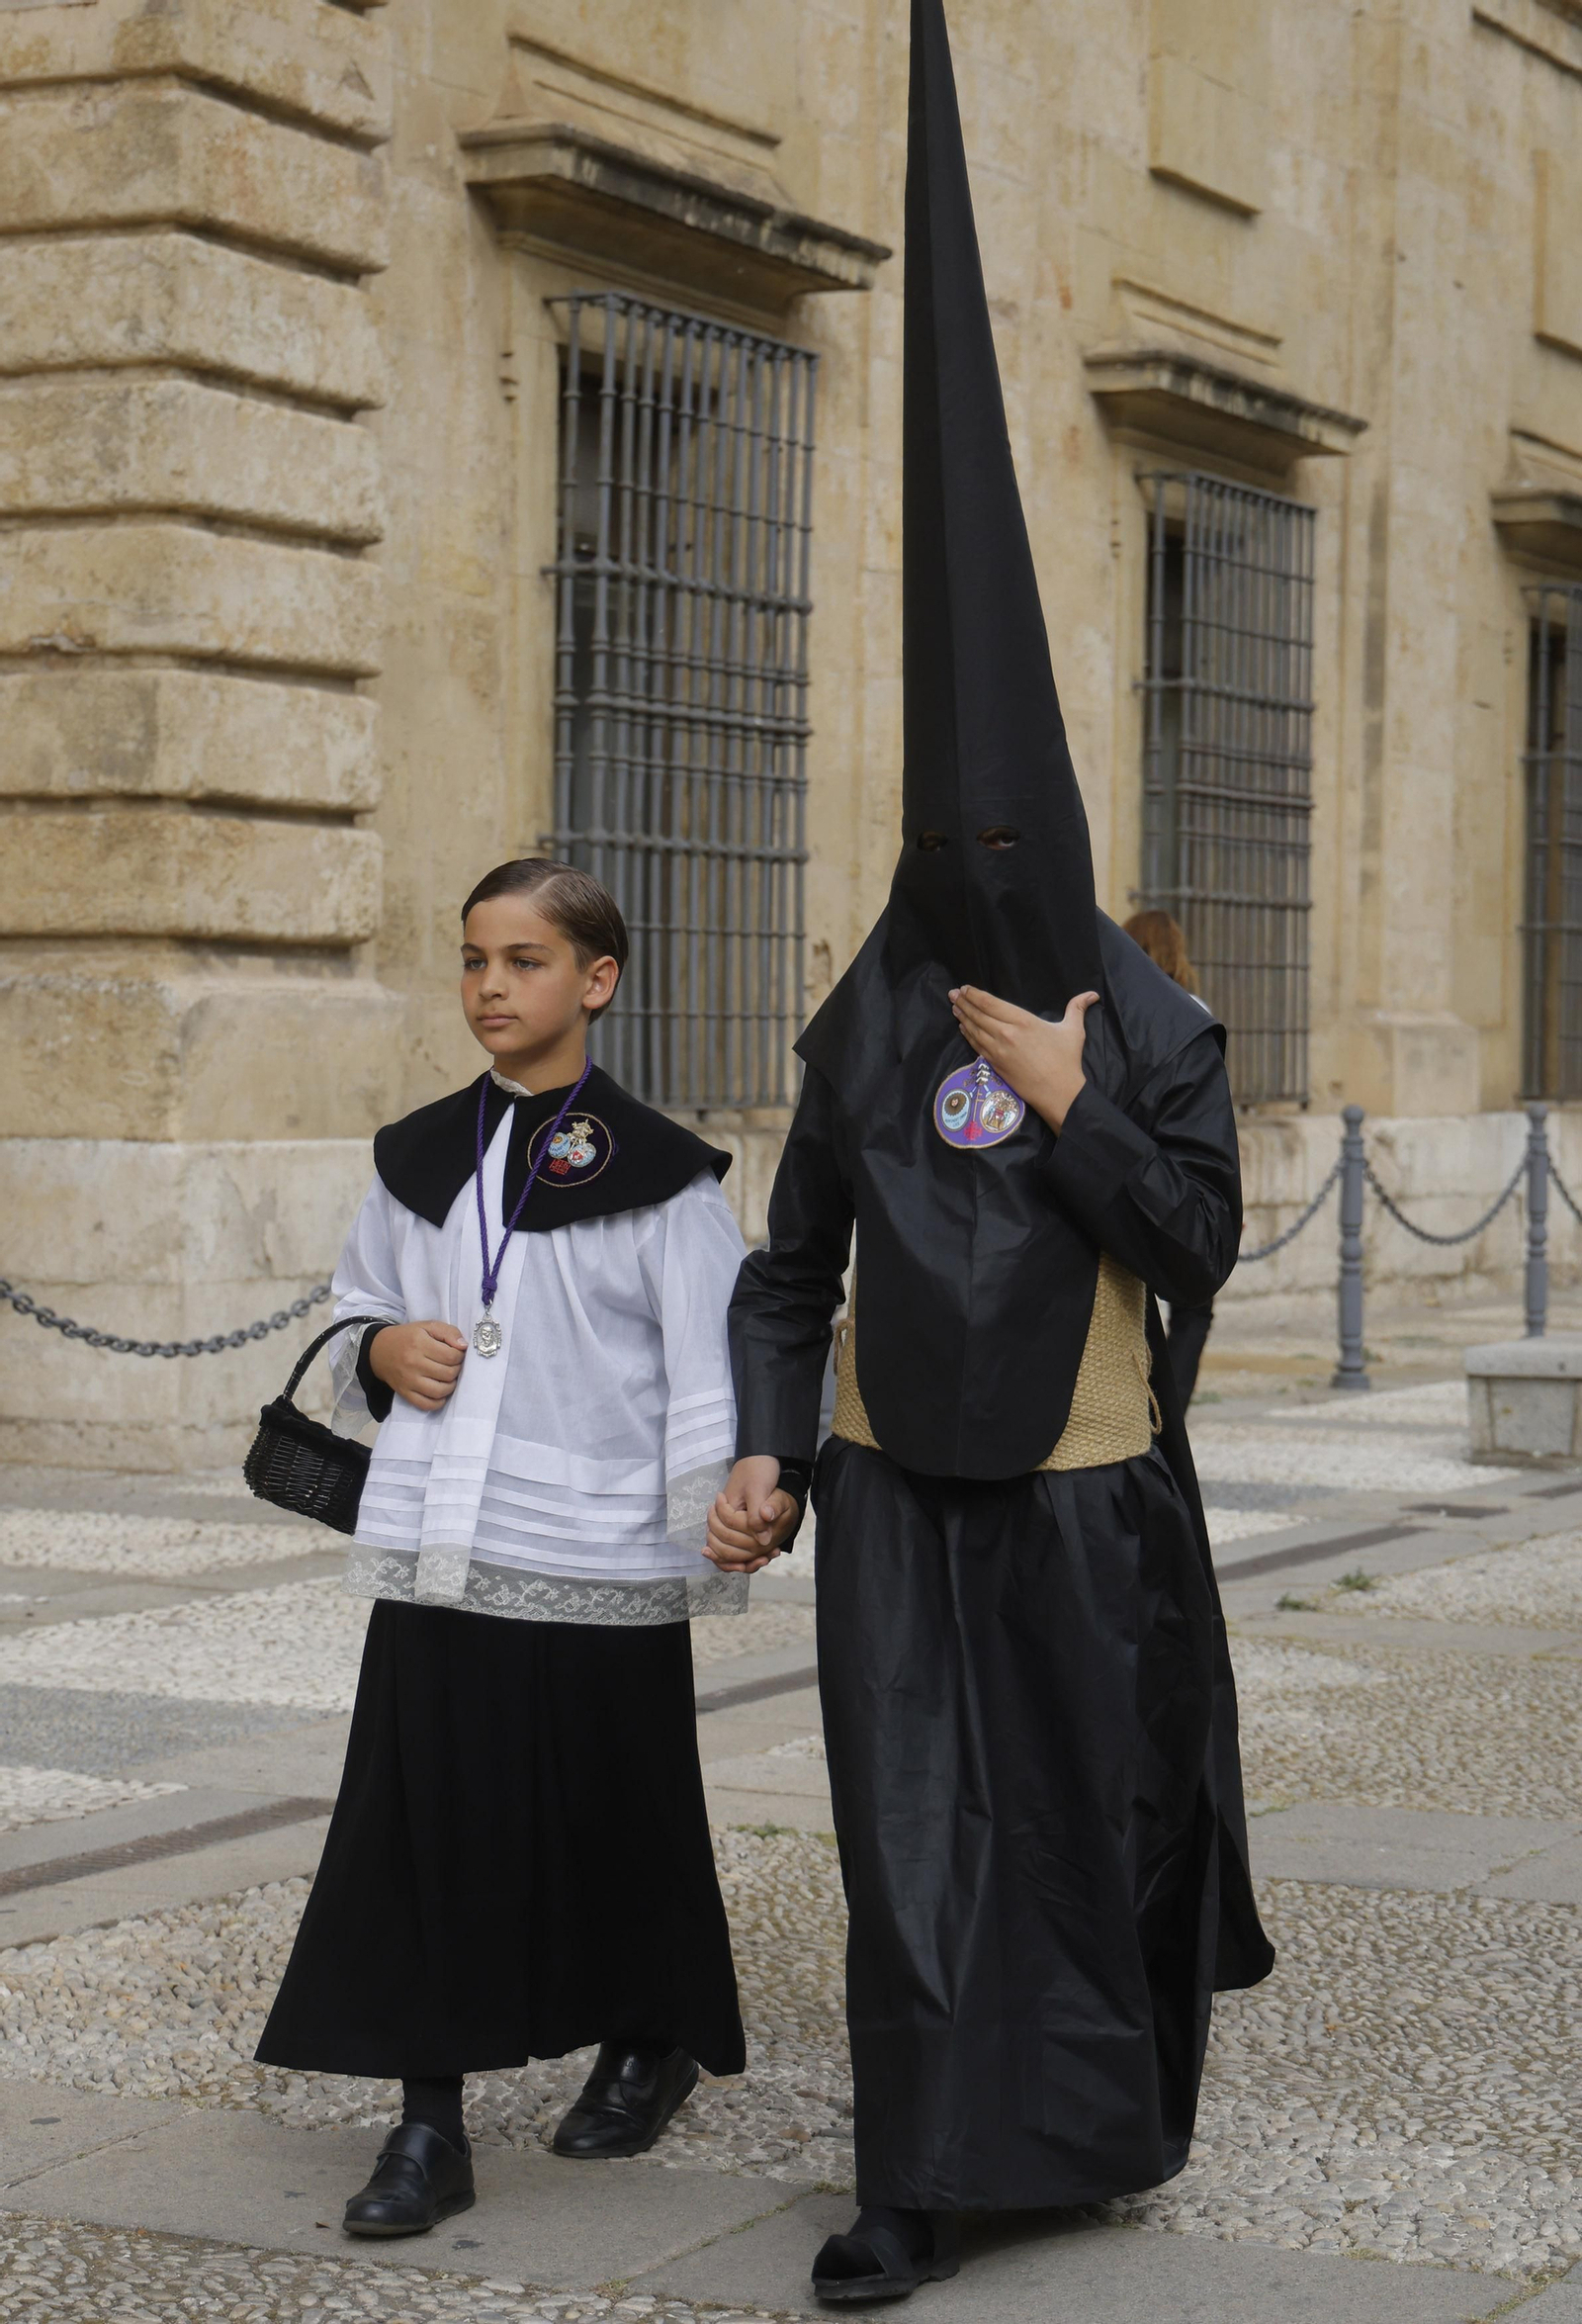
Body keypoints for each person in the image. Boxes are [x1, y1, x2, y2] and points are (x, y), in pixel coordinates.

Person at [704, 0, 1274, 2302]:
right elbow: (784, 1267)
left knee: (1099, 1817)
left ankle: (1092, 2115)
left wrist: (1067, 1109)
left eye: (999, 830)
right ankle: (908, 2176)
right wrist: (766, 1443)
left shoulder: (1145, 1020)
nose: (966, 857)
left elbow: (1198, 1235)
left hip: (1087, 1481)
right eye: (937, 833)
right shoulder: (859, 1018)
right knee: (913, 1828)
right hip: (894, 1490)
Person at [257, 857, 762, 2238]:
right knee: (423, 1824)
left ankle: (651, 2036)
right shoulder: (414, 1155)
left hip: (603, 1558)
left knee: (624, 1811)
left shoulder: (664, 1176)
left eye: (525, 960)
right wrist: (378, 1342)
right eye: (475, 958)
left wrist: (723, 1507)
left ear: (596, 981)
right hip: (440, 1550)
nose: (492, 985)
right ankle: (429, 2122)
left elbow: (709, 1357)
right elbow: (357, 1299)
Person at [1122, 908, 1217, 1406]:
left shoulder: (1107, 1010)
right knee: (1192, 1307)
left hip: (1122, 1169)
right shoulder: (1193, 1013)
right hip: (1182, 1178)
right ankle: (1169, 1414)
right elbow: (1212, 1115)